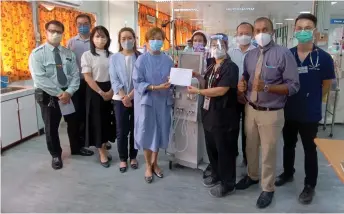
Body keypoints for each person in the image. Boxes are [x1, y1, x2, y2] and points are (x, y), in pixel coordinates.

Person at [236, 17, 300, 208]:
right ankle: (252, 176)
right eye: (257, 30)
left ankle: (268, 188)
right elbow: (246, 77)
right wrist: (242, 84)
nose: (260, 33)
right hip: (251, 109)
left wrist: (268, 87)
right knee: (250, 147)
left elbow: (294, 86)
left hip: (272, 111)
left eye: (265, 29)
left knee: (268, 152)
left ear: (272, 32)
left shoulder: (283, 54)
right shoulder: (250, 55)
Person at [275, 14, 335, 204]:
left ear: (314, 31)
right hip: (289, 108)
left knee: (310, 149)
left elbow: (326, 85)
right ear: (294, 30)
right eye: (299, 27)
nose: (303, 31)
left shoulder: (324, 58)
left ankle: (310, 185)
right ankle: (287, 172)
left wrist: (313, 99)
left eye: (307, 27)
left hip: (310, 112)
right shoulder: (287, 55)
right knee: (288, 144)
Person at [29, 20, 93, 170]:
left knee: (74, 123)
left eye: (58, 31)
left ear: (63, 34)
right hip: (49, 96)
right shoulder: (37, 54)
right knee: (51, 127)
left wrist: (69, 92)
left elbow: (75, 75)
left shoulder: (68, 53)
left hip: (69, 94)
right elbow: (40, 79)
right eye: (52, 31)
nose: (55, 34)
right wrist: (59, 93)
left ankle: (76, 148)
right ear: (46, 32)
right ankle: (56, 155)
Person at [188, 33, 239, 198]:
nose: (216, 49)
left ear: (226, 47)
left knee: (225, 150)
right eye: (213, 45)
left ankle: (227, 183)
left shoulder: (230, 67)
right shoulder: (211, 66)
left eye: (220, 45)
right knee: (212, 149)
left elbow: (221, 90)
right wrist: (198, 77)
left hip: (224, 117)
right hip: (209, 114)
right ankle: (216, 174)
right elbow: (207, 83)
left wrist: (198, 91)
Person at [132, 27, 173, 183]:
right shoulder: (142, 60)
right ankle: (148, 165)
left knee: (161, 132)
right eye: (153, 38)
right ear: (147, 42)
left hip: (163, 102)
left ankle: (156, 163)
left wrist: (173, 81)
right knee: (148, 133)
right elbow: (137, 82)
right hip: (147, 102)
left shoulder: (168, 60)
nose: (156, 41)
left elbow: (172, 80)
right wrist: (155, 87)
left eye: (159, 38)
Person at [67, 14, 112, 151]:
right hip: (81, 82)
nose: (82, 26)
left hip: (104, 85)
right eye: (79, 24)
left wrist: (109, 91)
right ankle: (81, 145)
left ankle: (102, 140)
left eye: (85, 23)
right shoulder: (72, 42)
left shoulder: (111, 55)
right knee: (81, 115)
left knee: (103, 117)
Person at [81, 26, 113, 168]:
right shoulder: (87, 55)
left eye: (103, 37)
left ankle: (105, 145)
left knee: (107, 121)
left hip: (111, 90)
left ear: (108, 39)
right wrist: (101, 93)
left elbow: (116, 76)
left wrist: (111, 91)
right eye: (97, 36)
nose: (100, 40)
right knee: (97, 122)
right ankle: (101, 153)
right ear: (92, 39)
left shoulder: (112, 55)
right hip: (95, 91)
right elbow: (88, 77)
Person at [109, 27, 140, 173]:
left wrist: (131, 96)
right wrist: (124, 96)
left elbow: (141, 80)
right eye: (123, 39)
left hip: (137, 98)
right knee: (121, 131)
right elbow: (114, 79)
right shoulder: (114, 58)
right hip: (119, 99)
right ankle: (123, 158)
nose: (127, 41)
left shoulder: (140, 57)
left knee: (135, 129)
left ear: (134, 39)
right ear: (119, 41)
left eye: (129, 38)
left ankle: (133, 156)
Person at [228, 22, 256, 167]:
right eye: (240, 34)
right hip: (232, 96)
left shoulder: (257, 53)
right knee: (232, 127)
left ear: (252, 35)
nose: (243, 36)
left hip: (250, 97)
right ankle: (232, 152)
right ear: (236, 35)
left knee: (248, 130)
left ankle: (247, 156)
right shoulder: (231, 53)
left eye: (247, 33)